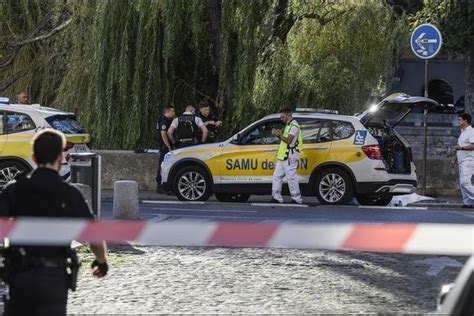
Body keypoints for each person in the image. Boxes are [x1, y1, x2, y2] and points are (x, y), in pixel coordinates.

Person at [0, 129, 108, 316]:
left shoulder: (13, 190)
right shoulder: (70, 193)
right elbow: (94, 236)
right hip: (53, 279)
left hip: (20, 277)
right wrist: (101, 262)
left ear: (33, 157)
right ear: (60, 157)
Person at [270, 108, 303, 204]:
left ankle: (297, 199)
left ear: (289, 115)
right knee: (277, 176)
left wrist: (278, 135)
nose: (281, 119)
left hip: (289, 155)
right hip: (283, 155)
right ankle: (276, 197)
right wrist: (278, 134)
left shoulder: (294, 126)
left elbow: (288, 140)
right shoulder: (288, 125)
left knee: (291, 177)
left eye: (282, 117)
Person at [454, 113, 474, 208]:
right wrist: (454, 160)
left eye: (460, 119)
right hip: (462, 160)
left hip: (468, 160)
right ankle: (468, 202)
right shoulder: (463, 132)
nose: (458, 121)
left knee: (464, 182)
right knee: (463, 184)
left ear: (465, 120)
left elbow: (473, 146)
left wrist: (461, 148)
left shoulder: (471, 131)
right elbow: (459, 148)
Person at [156, 105, 176, 193]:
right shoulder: (164, 121)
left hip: (165, 147)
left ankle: (164, 187)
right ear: (167, 112)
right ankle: (161, 186)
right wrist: (169, 147)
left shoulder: (167, 121)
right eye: (172, 111)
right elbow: (163, 135)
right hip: (165, 148)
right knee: (163, 166)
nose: (174, 113)